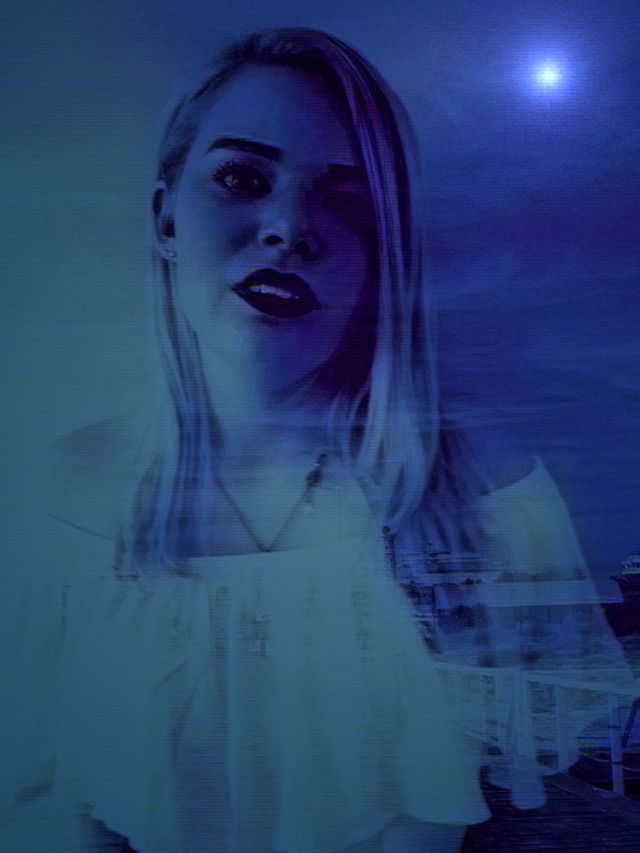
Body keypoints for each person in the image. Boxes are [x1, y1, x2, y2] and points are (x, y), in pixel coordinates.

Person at [1, 26, 634, 853]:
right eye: (242, 177)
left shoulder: (485, 497)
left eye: (349, 199)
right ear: (165, 218)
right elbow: (45, 798)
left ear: (385, 249)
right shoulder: (58, 500)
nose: (291, 227)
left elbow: (507, 792)